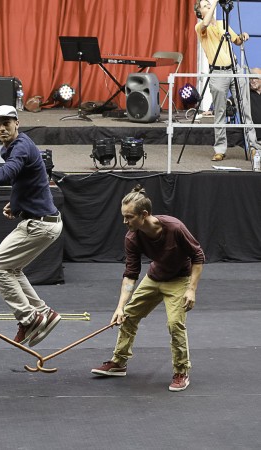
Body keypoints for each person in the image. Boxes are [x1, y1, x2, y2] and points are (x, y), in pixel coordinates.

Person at [91, 185, 204, 392]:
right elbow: (130, 274)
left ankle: (181, 371)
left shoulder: (174, 228)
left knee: (175, 324)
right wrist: (120, 307)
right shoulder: (132, 238)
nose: (125, 222)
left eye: (129, 217)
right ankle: (119, 362)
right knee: (128, 315)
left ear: (144, 214)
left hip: (179, 279)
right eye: (123, 217)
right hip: (154, 278)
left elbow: (198, 256)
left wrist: (191, 289)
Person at [0, 105, 62, 348]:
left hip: (40, 225)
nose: (2, 129)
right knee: (12, 269)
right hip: (42, 221)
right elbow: (29, 181)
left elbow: (1, 178)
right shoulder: (16, 147)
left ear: (17, 123)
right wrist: (16, 205)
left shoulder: (20, 147)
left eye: (6, 123)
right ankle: (44, 313)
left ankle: (29, 318)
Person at [194, 0, 261, 161]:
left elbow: (236, 40)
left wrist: (242, 37)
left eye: (209, 4)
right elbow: (205, 22)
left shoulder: (222, 23)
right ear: (200, 12)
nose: (209, 6)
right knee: (220, 112)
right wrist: (215, 2)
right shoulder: (200, 28)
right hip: (218, 73)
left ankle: (253, 147)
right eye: (205, 6)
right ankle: (220, 149)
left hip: (235, 69)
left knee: (245, 109)